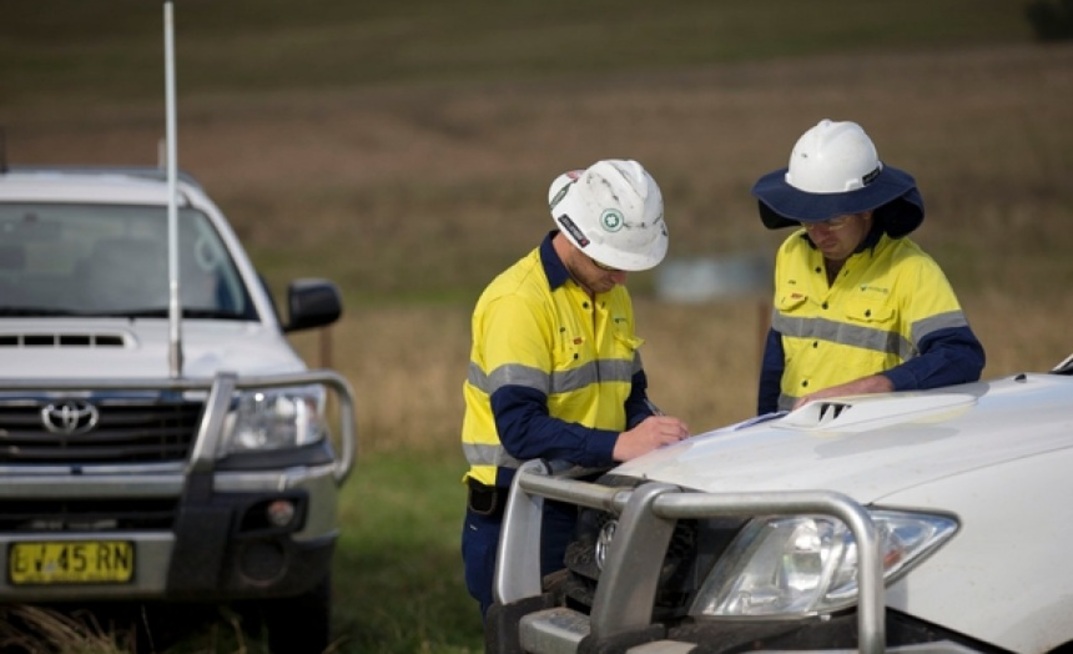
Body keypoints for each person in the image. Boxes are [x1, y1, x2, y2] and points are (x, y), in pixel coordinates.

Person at [460, 159, 690, 617]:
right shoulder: (518, 303)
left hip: (589, 501)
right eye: (611, 262)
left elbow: (631, 393)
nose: (622, 278)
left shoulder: (609, 290)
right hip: (520, 513)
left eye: (629, 265)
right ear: (574, 233)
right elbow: (520, 429)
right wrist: (622, 444)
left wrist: (654, 431)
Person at [751, 119, 985, 415]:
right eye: (808, 219)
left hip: (869, 449)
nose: (818, 233)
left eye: (833, 220)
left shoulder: (911, 269)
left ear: (867, 208)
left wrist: (871, 387)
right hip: (795, 446)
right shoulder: (791, 253)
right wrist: (765, 429)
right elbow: (777, 356)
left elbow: (960, 355)